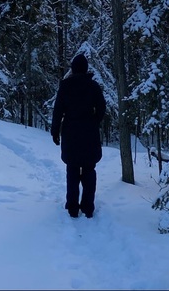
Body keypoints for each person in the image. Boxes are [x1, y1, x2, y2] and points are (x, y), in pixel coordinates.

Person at [51, 54, 106, 218]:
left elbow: (58, 110)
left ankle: (72, 206)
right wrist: (94, 121)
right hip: (89, 133)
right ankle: (88, 207)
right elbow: (101, 107)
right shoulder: (93, 86)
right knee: (89, 169)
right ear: (86, 69)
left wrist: (55, 131)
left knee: (72, 169)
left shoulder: (65, 86)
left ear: (73, 69)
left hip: (71, 132)